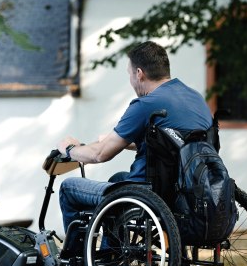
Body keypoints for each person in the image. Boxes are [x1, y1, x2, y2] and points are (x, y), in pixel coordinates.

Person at [57, 41, 212, 243]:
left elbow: (99, 154)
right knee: (117, 178)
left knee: (69, 188)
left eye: (129, 73)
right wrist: (124, 142)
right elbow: (173, 146)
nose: (130, 79)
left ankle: (77, 265)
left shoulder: (146, 104)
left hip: (146, 191)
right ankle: (108, 257)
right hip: (183, 189)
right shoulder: (195, 98)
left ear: (139, 73)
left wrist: (70, 149)